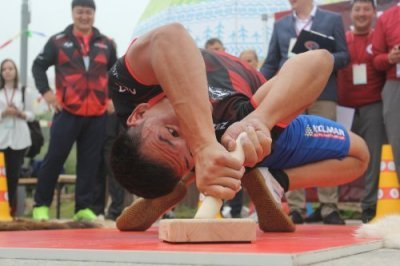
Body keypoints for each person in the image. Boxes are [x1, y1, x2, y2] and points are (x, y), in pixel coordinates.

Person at [107, 23, 368, 230]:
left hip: (252, 129)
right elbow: (318, 60)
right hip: (255, 132)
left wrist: (203, 146)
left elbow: (170, 36)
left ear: (139, 112)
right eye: (191, 159)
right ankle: (255, 178)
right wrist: (258, 121)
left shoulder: (128, 89)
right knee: (359, 155)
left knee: (359, 157)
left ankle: (259, 180)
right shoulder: (232, 131)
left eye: (172, 133)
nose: (189, 134)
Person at [260, 0, 350, 225]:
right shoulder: (280, 25)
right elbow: (271, 62)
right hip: (288, 96)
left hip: (322, 92)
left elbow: (344, 55)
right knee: (290, 145)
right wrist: (257, 84)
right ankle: (296, 207)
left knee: (330, 144)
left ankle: (329, 207)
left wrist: (320, 56)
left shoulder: (332, 19)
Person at [31, 0, 117, 221]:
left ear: (94, 15)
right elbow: (38, 65)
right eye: (80, 12)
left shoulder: (107, 43)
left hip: (97, 114)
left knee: (90, 163)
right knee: (54, 158)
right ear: (72, 13)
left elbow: (116, 73)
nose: (84, 16)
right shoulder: (58, 41)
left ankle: (83, 207)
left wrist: (112, 98)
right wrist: (47, 93)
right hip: (67, 111)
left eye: (88, 12)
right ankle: (41, 205)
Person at [337, 0, 386, 223]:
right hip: (343, 107)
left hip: (373, 105)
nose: (362, 13)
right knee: (335, 155)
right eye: (358, 9)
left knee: (374, 157)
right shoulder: (342, 39)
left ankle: (369, 206)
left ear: (375, 13)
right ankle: (330, 207)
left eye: (367, 8)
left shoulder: (379, 37)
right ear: (351, 13)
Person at [0, 59, 36, 215]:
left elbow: (32, 115)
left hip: (19, 139)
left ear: (15, 71)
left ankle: (10, 210)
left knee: (13, 176)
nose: (7, 71)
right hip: (2, 137)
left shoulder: (24, 91)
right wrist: (4, 112)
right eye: (4, 69)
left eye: (10, 68)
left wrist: (20, 114)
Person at [372, 3, 400, 184]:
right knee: (397, 143)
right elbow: (376, 58)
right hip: (395, 86)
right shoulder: (387, 17)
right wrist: (390, 58)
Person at [92, 102, 127, 221]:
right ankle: (96, 210)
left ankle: (115, 211)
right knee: (96, 168)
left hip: (114, 125)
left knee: (114, 168)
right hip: (96, 120)